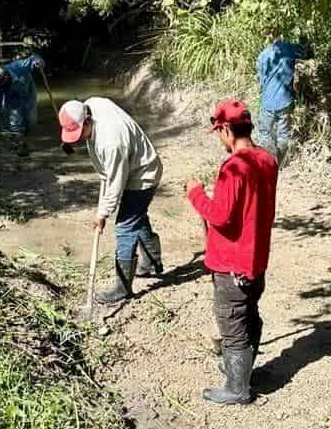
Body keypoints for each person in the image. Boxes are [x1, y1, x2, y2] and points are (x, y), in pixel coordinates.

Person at [185, 99, 279, 406]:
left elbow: (221, 216)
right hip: (256, 260)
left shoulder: (234, 167)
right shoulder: (266, 158)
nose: (220, 140)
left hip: (232, 264)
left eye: (219, 132)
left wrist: (196, 193)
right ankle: (243, 370)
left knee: (232, 320)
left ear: (226, 128)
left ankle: (238, 388)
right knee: (249, 313)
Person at [58, 97, 163, 303]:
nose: (79, 140)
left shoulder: (111, 143)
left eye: (79, 134)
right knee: (135, 215)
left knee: (124, 226)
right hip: (132, 164)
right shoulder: (93, 103)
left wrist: (102, 214)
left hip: (143, 175)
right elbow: (110, 174)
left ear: (87, 121)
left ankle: (122, 287)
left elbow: (115, 183)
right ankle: (152, 262)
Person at [256, 35, 312, 165]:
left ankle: (269, 161)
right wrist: (304, 40)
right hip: (285, 100)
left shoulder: (263, 54)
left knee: (265, 132)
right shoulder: (290, 49)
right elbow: (305, 52)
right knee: (283, 133)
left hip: (267, 101)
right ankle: (281, 162)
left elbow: (261, 79)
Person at [0, 53, 45, 156]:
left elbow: (34, 58)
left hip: (28, 93)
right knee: (15, 124)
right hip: (12, 99)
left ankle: (25, 139)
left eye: (1, 82)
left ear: (5, 76)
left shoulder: (19, 66)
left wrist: (38, 62)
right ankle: (20, 145)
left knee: (30, 121)